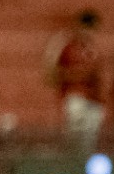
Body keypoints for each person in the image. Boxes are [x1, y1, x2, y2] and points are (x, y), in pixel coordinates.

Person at [44, 9, 105, 151]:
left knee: (90, 141)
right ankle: (72, 165)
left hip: (93, 99)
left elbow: (97, 76)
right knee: (74, 137)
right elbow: (52, 74)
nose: (89, 33)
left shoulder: (93, 49)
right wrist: (75, 75)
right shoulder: (67, 46)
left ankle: (84, 167)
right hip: (75, 95)